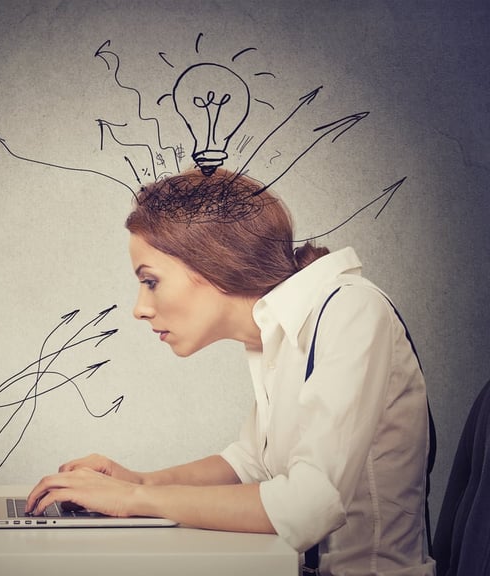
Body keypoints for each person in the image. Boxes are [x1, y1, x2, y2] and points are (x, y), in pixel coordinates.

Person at [26, 168, 435, 575]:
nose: (140, 308)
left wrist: (131, 499)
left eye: (150, 281)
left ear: (213, 262)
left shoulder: (351, 311)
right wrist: (143, 482)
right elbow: (252, 463)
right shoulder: (272, 334)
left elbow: (309, 504)